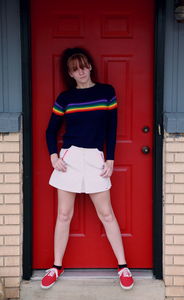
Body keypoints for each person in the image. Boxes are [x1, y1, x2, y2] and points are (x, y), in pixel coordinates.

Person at [41, 47, 134, 290]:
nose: (80, 72)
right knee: (63, 215)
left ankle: (123, 266)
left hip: (95, 158)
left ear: (90, 66)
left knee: (107, 214)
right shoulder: (65, 98)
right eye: (75, 69)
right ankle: (56, 266)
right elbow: (51, 130)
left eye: (83, 66)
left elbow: (112, 128)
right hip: (69, 159)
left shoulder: (106, 93)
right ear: (70, 74)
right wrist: (53, 156)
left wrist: (111, 158)